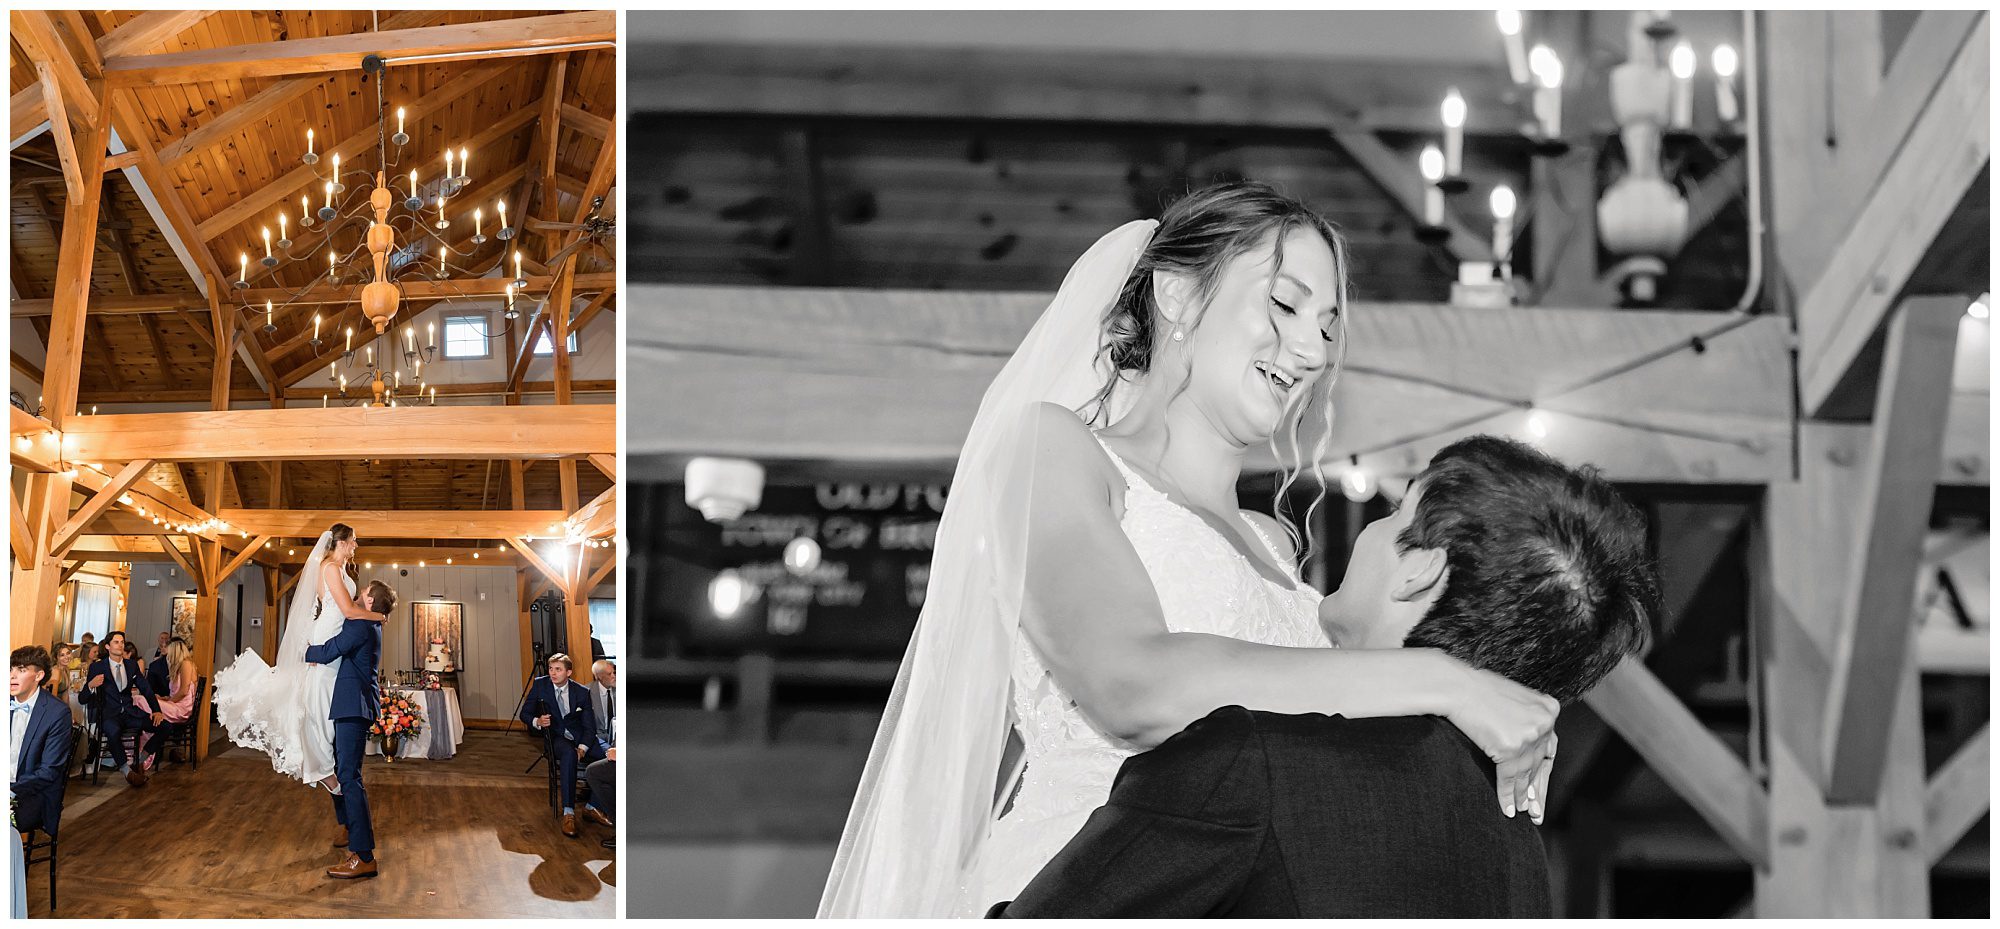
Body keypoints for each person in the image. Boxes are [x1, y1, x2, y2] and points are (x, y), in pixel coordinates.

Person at [821, 183, 1561, 917]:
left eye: (1329, 326)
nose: (1310, 348)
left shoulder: (1275, 549)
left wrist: (1490, 706)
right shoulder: (1057, 451)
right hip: (1076, 883)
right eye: (1284, 303)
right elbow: (1130, 685)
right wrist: (1438, 681)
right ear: (1176, 293)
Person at [993, 436, 1656, 916]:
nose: (1369, 529)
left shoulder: (1253, 763)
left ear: (1421, 568)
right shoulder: (1518, 849)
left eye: (1396, 514)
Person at [213, 524, 387, 793]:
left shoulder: (341, 569)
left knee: (326, 699)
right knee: (319, 701)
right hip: (329, 631)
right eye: (353, 541)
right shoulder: (329, 567)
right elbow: (349, 611)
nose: (355, 545)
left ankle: (327, 765)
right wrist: (378, 616)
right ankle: (322, 769)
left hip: (335, 631)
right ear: (340, 542)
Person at [306, 580, 394, 880]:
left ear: (370, 603)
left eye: (364, 593)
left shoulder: (361, 626)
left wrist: (303, 652)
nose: (357, 596)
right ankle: (347, 826)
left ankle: (364, 856)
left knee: (349, 777)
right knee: (342, 771)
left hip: (352, 706)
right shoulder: (370, 623)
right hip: (351, 704)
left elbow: (332, 649)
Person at [520, 654, 610, 838]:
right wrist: (537, 720)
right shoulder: (540, 685)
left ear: (568, 672)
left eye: (558, 669)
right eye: (551, 669)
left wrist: (583, 748)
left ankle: (592, 806)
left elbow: (589, 725)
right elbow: (525, 713)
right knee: (568, 755)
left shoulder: (581, 692)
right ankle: (568, 813)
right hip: (557, 736)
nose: (553, 673)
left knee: (612, 757)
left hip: (583, 736)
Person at [79, 630, 163, 787]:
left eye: (122, 642)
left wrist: (156, 710)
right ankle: (127, 771)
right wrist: (91, 685)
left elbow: (146, 689)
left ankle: (140, 761)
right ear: (108, 646)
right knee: (113, 731)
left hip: (130, 713)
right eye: (116, 642)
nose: (120, 645)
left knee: (165, 726)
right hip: (109, 715)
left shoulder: (131, 665)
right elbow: (82, 699)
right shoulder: (97, 667)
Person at [12, 645, 75, 838]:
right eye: (10, 669)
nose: (12, 676)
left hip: (32, 795)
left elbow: (49, 771)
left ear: (38, 676)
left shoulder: (56, 713)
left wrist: (9, 790)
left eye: (21, 670)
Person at [138, 638, 200, 767]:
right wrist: (165, 698)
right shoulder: (179, 666)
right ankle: (144, 751)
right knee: (148, 706)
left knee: (140, 700)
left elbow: (183, 691)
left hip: (182, 709)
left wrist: (169, 702)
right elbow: (176, 692)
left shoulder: (186, 664)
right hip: (175, 704)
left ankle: (143, 753)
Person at [589, 659, 617, 749]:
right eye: (609, 674)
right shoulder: (587, 692)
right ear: (599, 677)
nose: (614, 676)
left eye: (614, 672)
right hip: (597, 737)